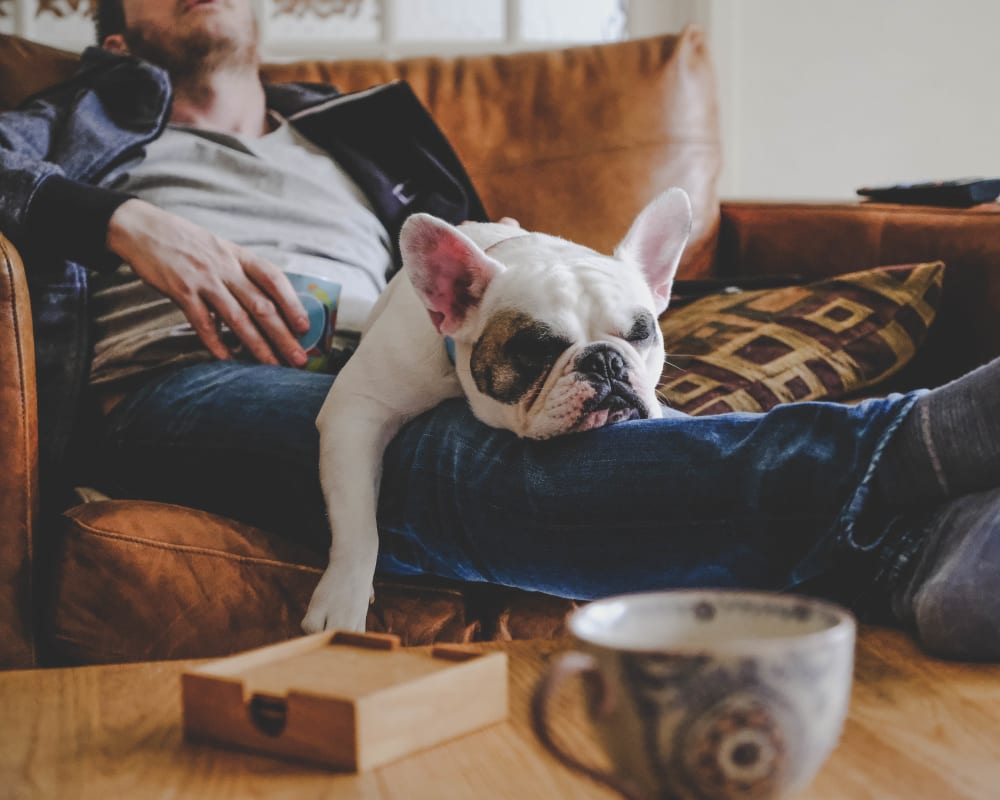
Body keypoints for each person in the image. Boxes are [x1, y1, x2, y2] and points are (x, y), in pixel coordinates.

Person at [2, 0, 998, 660]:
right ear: (117, 36)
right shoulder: (72, 122)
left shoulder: (360, 131)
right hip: (179, 378)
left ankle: (919, 549)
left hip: (364, 353)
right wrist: (121, 220)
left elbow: (499, 314)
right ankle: (928, 439)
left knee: (520, 440)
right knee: (446, 464)